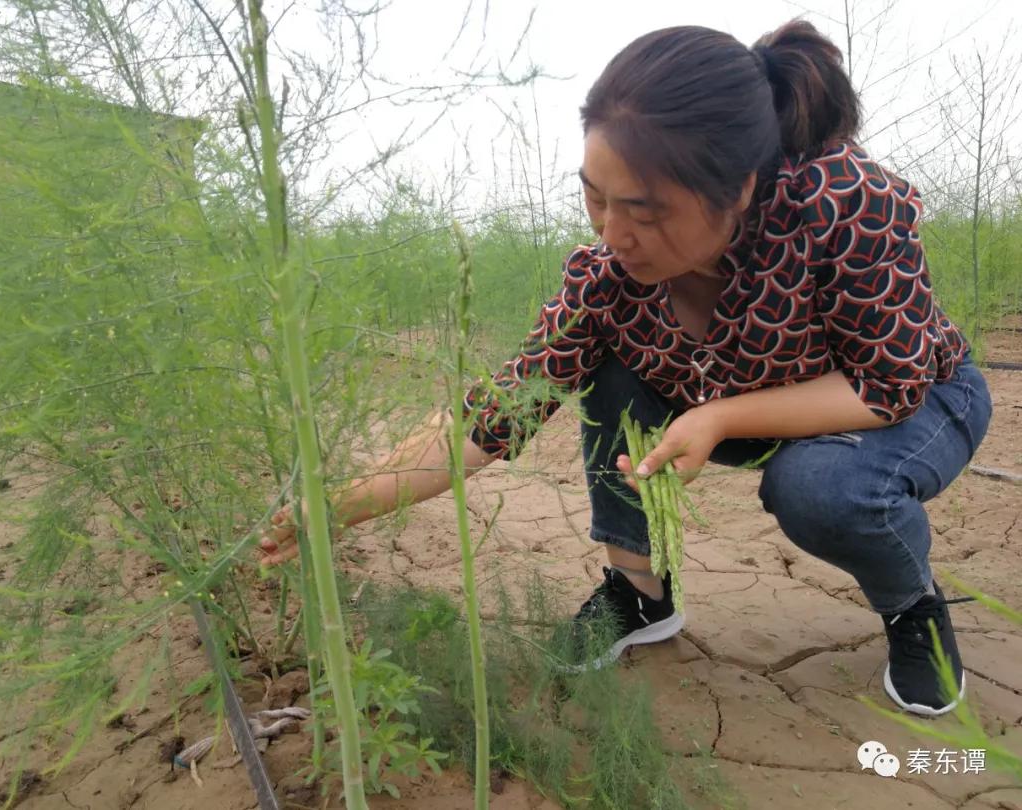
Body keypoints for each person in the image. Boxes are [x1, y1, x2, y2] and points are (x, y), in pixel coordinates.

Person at [259, 19, 992, 718]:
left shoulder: (841, 201)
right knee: (603, 364)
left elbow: (886, 384)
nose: (614, 235)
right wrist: (335, 507)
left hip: (911, 402)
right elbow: (492, 416)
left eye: (644, 210)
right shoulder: (606, 279)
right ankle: (638, 591)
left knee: (821, 488)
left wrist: (720, 415)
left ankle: (912, 606)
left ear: (736, 190)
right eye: (595, 197)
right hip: (739, 397)